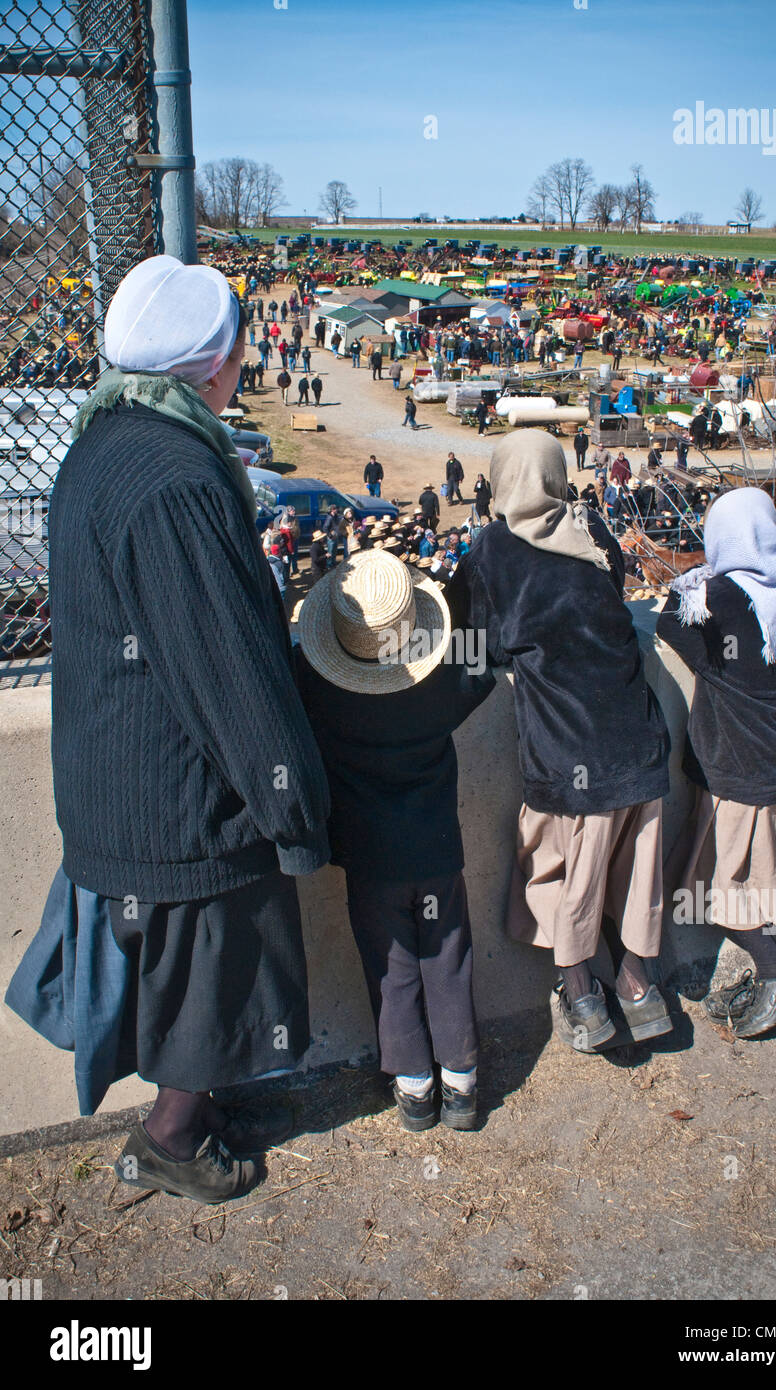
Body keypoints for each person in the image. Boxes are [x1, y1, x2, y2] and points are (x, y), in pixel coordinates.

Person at [5, 255, 331, 1204]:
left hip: (120, 772)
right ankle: (171, 1140)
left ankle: (197, 1109)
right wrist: (290, 797)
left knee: (195, 970)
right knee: (212, 968)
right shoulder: (175, 474)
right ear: (214, 360)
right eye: (239, 344)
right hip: (179, 791)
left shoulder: (105, 437)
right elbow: (223, 665)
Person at [452, 432, 673, 1053]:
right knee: (635, 872)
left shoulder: (492, 547)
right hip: (641, 738)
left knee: (562, 872)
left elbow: (476, 644)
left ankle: (582, 997)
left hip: (572, 753)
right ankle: (638, 988)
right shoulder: (595, 533)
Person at [295, 551, 495, 1130]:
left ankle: (414, 1087)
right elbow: (480, 664)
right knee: (448, 957)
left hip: (369, 857)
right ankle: (462, 1084)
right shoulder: (440, 685)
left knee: (393, 966)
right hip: (436, 849)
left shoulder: (318, 688)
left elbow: (291, 670)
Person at [657, 490, 776, 1039]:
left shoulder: (720, 596)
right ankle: (770, 971)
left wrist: (698, 579)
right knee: (755, 885)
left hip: (741, 769)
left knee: (720, 891)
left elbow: (668, 626)